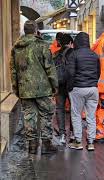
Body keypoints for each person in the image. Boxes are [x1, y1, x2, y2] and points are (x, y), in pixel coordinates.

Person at [10, 20, 58, 154]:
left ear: (25, 31)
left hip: (24, 88)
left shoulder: (16, 47)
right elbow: (50, 67)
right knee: (46, 115)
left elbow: (13, 70)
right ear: (36, 30)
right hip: (43, 88)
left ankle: (32, 145)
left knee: (29, 116)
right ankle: (46, 144)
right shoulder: (42, 45)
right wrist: (55, 85)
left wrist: (16, 88)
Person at [66, 32, 100, 151]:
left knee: (76, 115)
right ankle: (91, 143)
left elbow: (70, 73)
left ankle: (78, 141)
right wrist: (94, 83)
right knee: (91, 116)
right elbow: (98, 72)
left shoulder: (74, 55)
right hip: (93, 89)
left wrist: (69, 88)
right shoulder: (94, 55)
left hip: (78, 88)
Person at [53, 34, 74, 144]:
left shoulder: (55, 54)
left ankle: (61, 134)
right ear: (70, 43)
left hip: (59, 86)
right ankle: (72, 132)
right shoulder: (73, 53)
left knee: (60, 109)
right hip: (71, 86)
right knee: (73, 110)